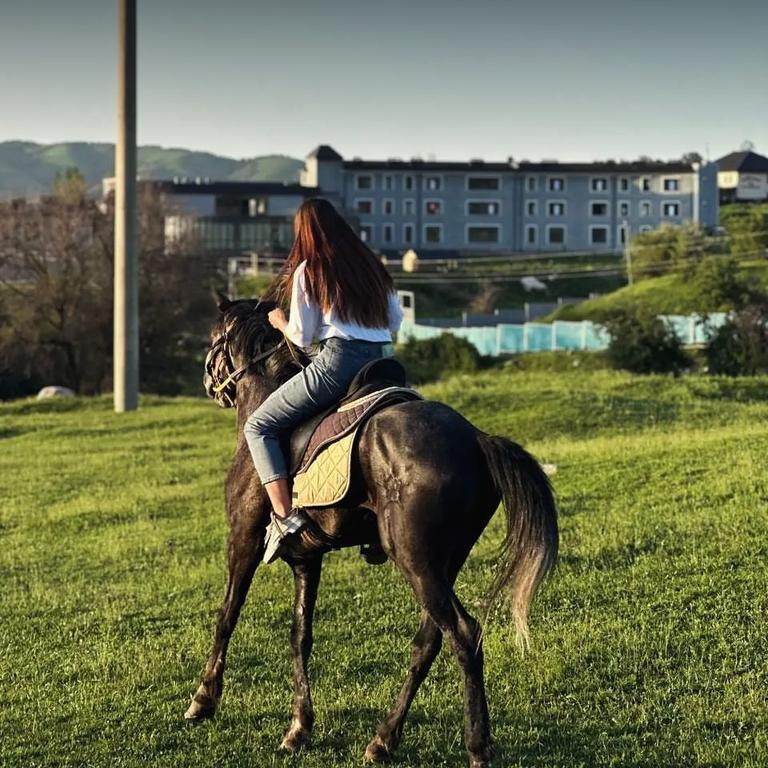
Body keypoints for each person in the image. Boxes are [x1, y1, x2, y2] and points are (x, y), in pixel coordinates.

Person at [244, 197, 404, 563]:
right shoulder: (372, 267)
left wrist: (279, 322)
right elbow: (395, 323)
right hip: (383, 360)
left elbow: (301, 337)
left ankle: (285, 519)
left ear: (305, 232)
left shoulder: (309, 270)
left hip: (339, 362)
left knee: (259, 426)